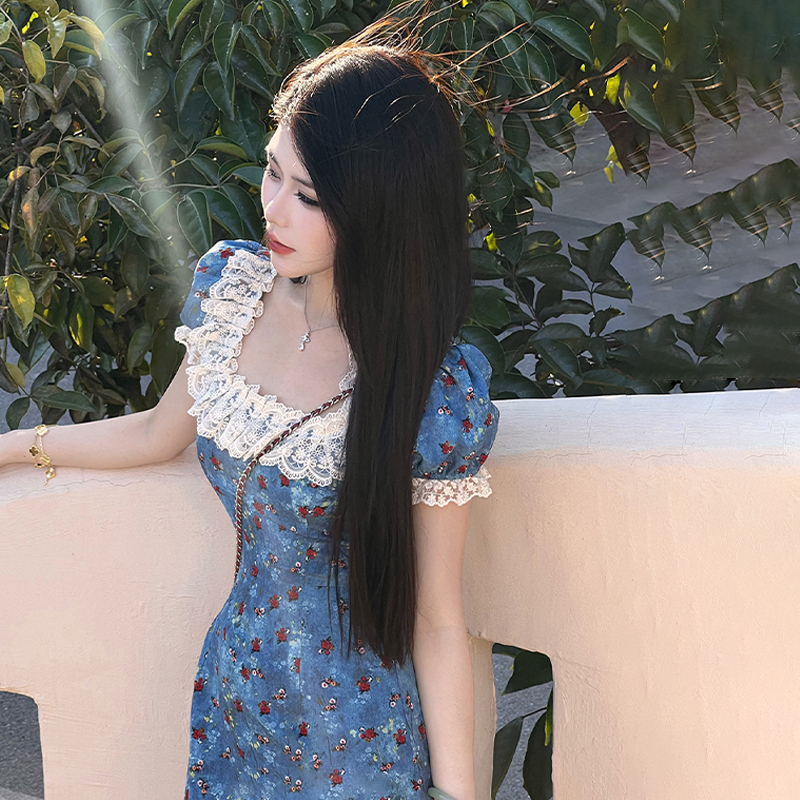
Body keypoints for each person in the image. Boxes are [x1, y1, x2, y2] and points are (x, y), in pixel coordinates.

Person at [0, 17, 500, 800]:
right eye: (272, 172)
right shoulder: (233, 293)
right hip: (237, 698)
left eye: (308, 195)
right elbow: (157, 432)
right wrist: (12, 447)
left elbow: (437, 620)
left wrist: (457, 795)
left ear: (378, 207)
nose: (274, 209)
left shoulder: (430, 392)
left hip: (356, 744)